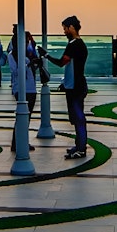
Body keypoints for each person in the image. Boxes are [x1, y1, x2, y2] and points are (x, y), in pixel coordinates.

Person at [44, 15, 89, 159]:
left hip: (76, 87)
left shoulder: (74, 45)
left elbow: (62, 63)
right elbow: (71, 67)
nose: (64, 31)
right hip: (75, 85)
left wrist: (46, 56)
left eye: (65, 28)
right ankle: (79, 145)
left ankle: (81, 149)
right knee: (76, 118)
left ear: (71, 28)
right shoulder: (78, 44)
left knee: (79, 118)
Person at [7, 33, 36, 151]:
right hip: (20, 88)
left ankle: (22, 141)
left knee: (27, 117)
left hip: (31, 88)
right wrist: (28, 64)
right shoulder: (12, 55)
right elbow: (16, 71)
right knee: (22, 116)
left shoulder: (27, 53)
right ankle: (17, 143)